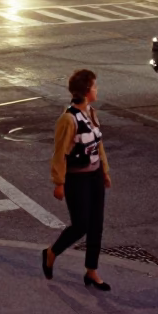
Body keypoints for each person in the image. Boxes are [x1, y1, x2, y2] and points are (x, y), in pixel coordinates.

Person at [42, 68, 112, 291]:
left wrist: (105, 172)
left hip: (94, 177)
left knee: (96, 225)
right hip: (76, 180)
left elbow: (97, 144)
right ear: (86, 91)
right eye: (94, 86)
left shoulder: (90, 113)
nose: (96, 89)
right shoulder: (68, 119)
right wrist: (59, 182)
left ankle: (91, 271)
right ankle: (51, 252)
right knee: (81, 225)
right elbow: (60, 152)